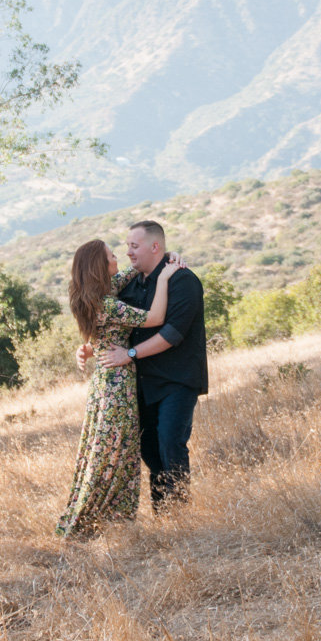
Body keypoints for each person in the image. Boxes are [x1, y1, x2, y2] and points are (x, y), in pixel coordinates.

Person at [56, 239, 181, 538]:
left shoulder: (98, 294)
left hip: (105, 381)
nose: (118, 258)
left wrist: (164, 256)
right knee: (114, 455)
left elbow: (130, 271)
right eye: (112, 256)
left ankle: (110, 524)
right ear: (101, 266)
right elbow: (156, 318)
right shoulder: (108, 303)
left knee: (110, 453)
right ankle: (93, 525)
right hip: (117, 384)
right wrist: (164, 277)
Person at [81, 220, 208, 511]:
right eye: (125, 247)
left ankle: (179, 514)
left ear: (155, 247)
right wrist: (90, 347)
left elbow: (171, 334)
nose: (127, 252)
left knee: (170, 443)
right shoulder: (130, 284)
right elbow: (115, 325)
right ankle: (163, 513)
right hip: (142, 382)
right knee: (148, 448)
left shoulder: (182, 280)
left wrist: (131, 354)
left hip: (177, 380)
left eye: (133, 246)